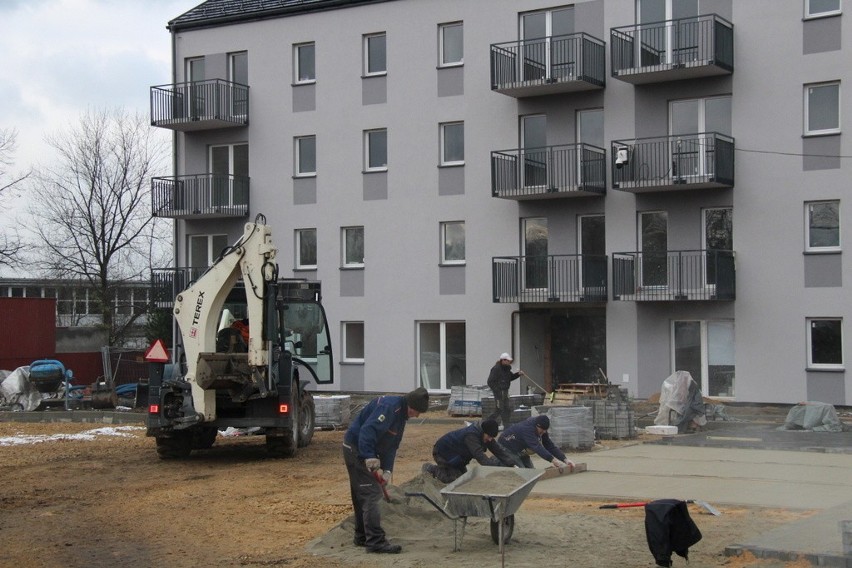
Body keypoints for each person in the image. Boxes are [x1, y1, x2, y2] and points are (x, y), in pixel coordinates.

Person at [342, 386, 429, 554]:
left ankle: (362, 536)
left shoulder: (400, 416)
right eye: (416, 411)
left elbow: (391, 446)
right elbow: (368, 431)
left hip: (362, 449)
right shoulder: (389, 408)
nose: (417, 415)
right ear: (410, 405)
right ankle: (375, 542)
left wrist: (387, 470)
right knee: (372, 495)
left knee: (362, 495)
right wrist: (369, 456)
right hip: (355, 449)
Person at [421, 419, 516, 484]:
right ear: (484, 432)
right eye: (489, 437)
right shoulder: (471, 436)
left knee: (465, 481)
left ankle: (450, 470)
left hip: (458, 457)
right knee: (453, 481)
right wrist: (495, 471)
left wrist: (512, 464)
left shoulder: (485, 435)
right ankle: (431, 469)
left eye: (492, 438)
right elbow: (480, 456)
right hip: (443, 453)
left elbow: (498, 450)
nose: (490, 440)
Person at [498, 414, 574, 470]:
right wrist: (553, 460)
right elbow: (537, 447)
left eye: (545, 430)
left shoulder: (542, 429)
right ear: (537, 426)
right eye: (542, 430)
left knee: (531, 472)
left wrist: (565, 459)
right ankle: (498, 463)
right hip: (506, 447)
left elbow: (549, 445)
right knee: (521, 472)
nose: (543, 432)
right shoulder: (527, 429)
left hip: (520, 448)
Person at [486, 352, 524, 428]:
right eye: (507, 360)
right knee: (499, 409)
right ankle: (486, 423)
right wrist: (497, 391)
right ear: (503, 360)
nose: (509, 362)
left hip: (505, 392)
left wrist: (518, 374)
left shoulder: (506, 369)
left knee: (507, 409)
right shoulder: (496, 369)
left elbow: (511, 377)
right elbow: (490, 381)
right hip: (499, 392)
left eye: (509, 361)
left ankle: (506, 426)